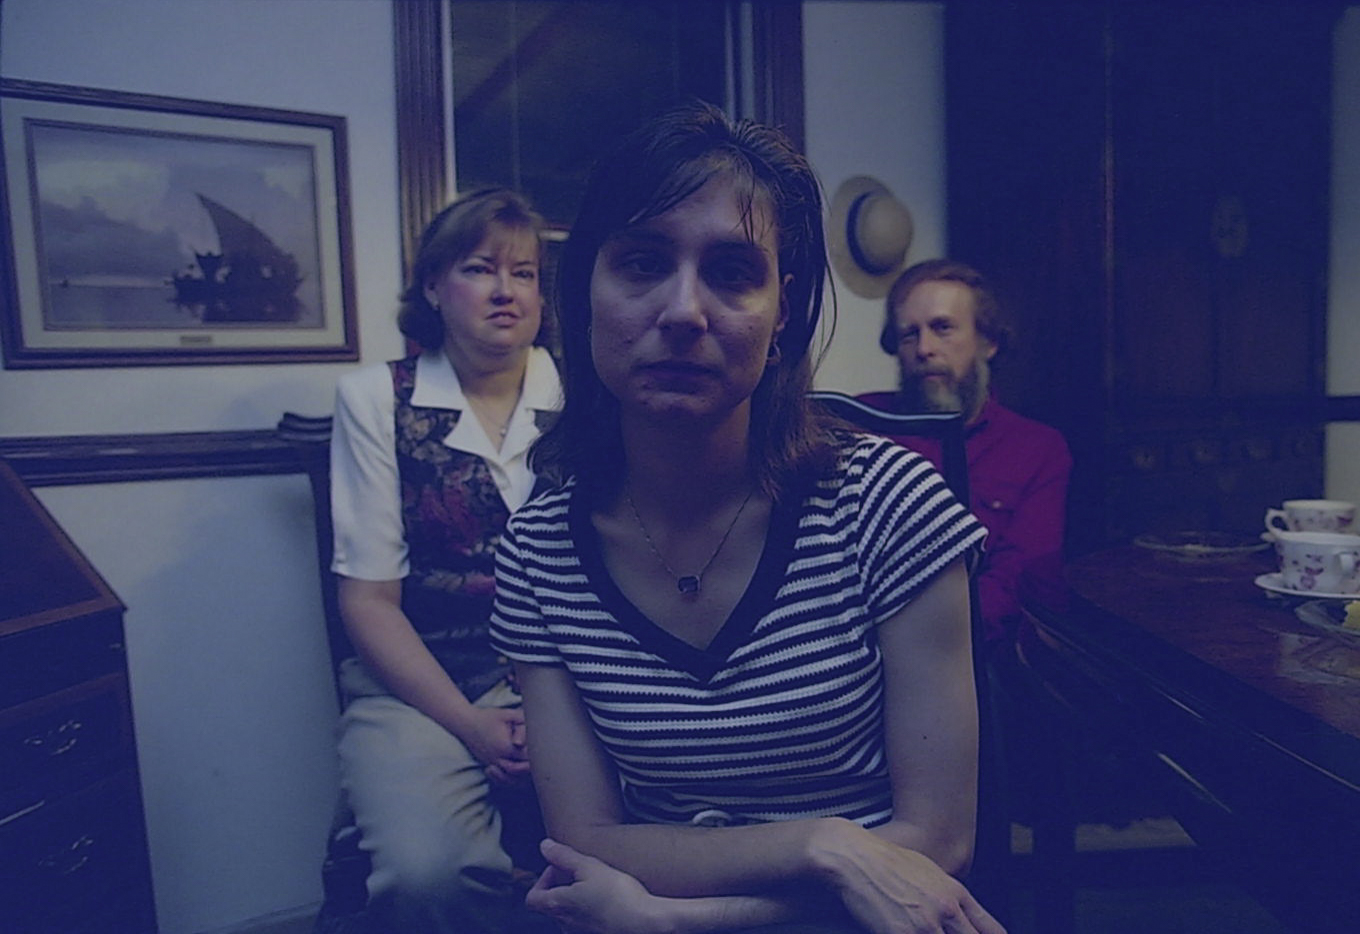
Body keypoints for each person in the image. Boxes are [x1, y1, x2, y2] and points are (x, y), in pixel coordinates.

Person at [490, 102, 1007, 934]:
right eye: (641, 262)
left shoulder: (889, 507)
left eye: (732, 272)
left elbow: (938, 842)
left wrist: (681, 923)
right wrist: (824, 844)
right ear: (582, 290)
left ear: (780, 313)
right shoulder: (538, 551)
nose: (683, 311)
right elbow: (585, 838)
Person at [328, 187, 562, 933]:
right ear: (432, 286)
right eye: (479, 269)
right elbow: (368, 602)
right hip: (421, 684)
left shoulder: (585, 392)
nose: (505, 291)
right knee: (426, 875)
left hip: (574, 676)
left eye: (523, 273)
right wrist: (469, 723)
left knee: (662, 836)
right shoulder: (375, 398)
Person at [858, 259, 1070, 651]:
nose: (924, 349)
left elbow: (1019, 582)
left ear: (988, 342)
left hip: (973, 655)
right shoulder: (859, 421)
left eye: (942, 328)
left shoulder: (1037, 448)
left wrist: (921, 639)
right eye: (909, 334)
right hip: (860, 653)